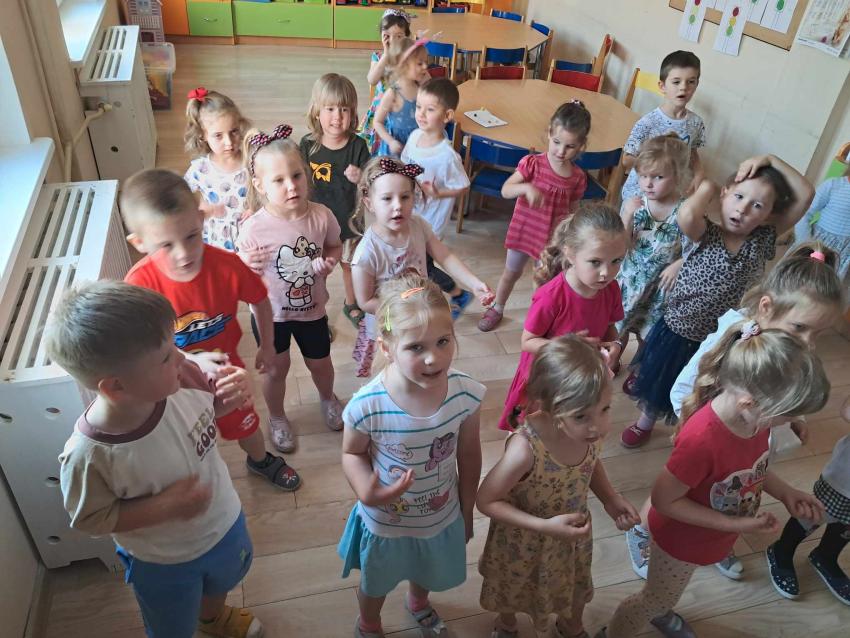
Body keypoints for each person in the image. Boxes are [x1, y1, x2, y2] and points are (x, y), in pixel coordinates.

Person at [49, 281, 263, 638]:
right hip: (164, 561)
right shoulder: (91, 454)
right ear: (116, 387)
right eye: (166, 356)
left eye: (173, 344)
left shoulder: (181, 378)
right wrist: (166, 506)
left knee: (221, 582)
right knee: (171, 624)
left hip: (224, 522)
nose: (182, 356)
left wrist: (230, 398)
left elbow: (205, 414)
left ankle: (211, 618)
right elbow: (90, 518)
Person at [626, 244, 845, 585]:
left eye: (818, 334)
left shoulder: (789, 349)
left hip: (751, 434)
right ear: (766, 308)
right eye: (801, 327)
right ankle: (643, 530)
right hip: (712, 439)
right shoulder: (735, 336)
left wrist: (793, 418)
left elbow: (787, 391)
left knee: (732, 485)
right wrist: (703, 429)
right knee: (685, 489)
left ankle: (716, 532)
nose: (808, 343)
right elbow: (684, 388)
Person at [600, 326, 830, 638]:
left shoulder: (754, 420)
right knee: (654, 597)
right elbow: (664, 500)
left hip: (712, 533)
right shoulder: (703, 440)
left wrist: (786, 492)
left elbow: (751, 467)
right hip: (682, 539)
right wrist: (734, 524)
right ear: (750, 403)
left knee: (668, 590)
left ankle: (663, 606)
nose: (788, 422)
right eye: (786, 416)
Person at [122, 169, 301, 490]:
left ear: (201, 219)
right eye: (166, 245)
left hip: (225, 373)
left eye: (192, 236)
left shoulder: (227, 266)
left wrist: (268, 345)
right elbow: (138, 347)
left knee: (246, 423)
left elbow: (260, 301)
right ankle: (190, 479)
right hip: (169, 382)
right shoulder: (138, 286)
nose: (184, 253)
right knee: (182, 436)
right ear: (139, 243)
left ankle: (260, 460)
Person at [621, 154, 814, 449]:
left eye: (757, 205)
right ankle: (645, 422)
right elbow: (687, 214)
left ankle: (690, 428)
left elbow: (806, 194)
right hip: (679, 328)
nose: (743, 209)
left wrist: (769, 159)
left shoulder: (762, 239)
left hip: (719, 336)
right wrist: (708, 186)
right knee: (660, 378)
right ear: (724, 194)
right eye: (739, 196)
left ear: (768, 214)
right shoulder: (706, 232)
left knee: (702, 386)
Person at [337, 274, 485, 638]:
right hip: (386, 520)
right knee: (376, 582)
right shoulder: (367, 405)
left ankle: (418, 603)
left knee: (426, 568)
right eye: (416, 347)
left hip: (440, 513)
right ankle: (369, 623)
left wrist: (467, 509)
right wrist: (367, 490)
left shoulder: (466, 394)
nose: (433, 357)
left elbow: (469, 453)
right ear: (387, 348)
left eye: (443, 341)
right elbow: (352, 453)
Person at [477, 335, 640, 638]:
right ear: (550, 406)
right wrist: (543, 526)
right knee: (513, 587)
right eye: (581, 416)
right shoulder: (526, 449)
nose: (598, 426)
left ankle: (570, 626)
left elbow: (589, 463)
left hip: (570, 536)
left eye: (605, 409)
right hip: (523, 540)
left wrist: (610, 498)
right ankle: (507, 623)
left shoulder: (588, 432)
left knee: (574, 585)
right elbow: (486, 500)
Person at [237, 124, 345, 453]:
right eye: (279, 180)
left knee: (321, 364)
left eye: (296, 175)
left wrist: (330, 261)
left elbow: (334, 245)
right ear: (260, 185)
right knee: (276, 370)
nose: (291, 185)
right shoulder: (253, 229)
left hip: (312, 311)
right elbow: (239, 276)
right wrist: (243, 262)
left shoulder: (322, 216)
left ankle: (327, 398)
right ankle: (277, 416)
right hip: (271, 317)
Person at [350, 156, 492, 377]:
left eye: (405, 197)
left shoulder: (418, 225)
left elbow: (445, 256)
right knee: (391, 374)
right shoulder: (366, 253)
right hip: (390, 327)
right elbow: (365, 301)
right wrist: (403, 313)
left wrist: (473, 283)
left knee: (422, 366)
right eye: (387, 198)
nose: (398, 206)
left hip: (422, 318)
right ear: (369, 203)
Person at [498, 203, 627, 431]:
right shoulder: (551, 296)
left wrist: (615, 344)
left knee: (568, 424)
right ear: (570, 253)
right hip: (547, 376)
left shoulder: (611, 289)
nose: (606, 272)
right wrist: (570, 347)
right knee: (535, 428)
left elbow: (609, 327)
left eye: (616, 261)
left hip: (578, 376)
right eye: (595, 262)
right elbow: (528, 341)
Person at [478, 101, 591, 332]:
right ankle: (498, 307)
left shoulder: (578, 177)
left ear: (581, 146)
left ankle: (538, 321)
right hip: (524, 233)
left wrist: (572, 236)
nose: (561, 151)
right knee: (510, 273)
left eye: (570, 146)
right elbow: (506, 190)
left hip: (551, 241)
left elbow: (573, 209)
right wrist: (526, 188)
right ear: (549, 133)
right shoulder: (532, 164)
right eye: (556, 142)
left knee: (543, 284)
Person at [609, 134, 689, 375]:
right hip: (630, 281)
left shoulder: (685, 211)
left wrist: (680, 264)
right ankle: (612, 360)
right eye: (643, 176)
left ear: (677, 176)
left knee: (648, 333)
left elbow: (699, 247)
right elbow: (620, 245)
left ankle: (640, 367)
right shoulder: (636, 204)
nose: (648, 184)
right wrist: (627, 215)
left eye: (658, 177)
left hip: (660, 287)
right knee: (619, 327)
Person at [300, 73, 371, 331]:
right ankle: (317, 313)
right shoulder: (308, 145)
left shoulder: (358, 146)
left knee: (350, 266)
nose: (337, 117)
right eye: (330, 109)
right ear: (317, 111)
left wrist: (361, 177)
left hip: (349, 223)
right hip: (316, 225)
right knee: (318, 270)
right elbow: (298, 178)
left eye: (344, 109)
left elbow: (373, 183)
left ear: (353, 113)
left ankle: (351, 303)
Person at [401, 77, 473, 319]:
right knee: (415, 263)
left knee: (424, 266)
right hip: (411, 215)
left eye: (430, 109)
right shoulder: (414, 136)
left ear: (447, 115)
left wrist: (438, 193)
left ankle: (457, 293)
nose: (421, 114)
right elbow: (406, 165)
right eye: (418, 106)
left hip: (431, 223)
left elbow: (463, 186)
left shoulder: (447, 156)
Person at [768, 396, 850, 605]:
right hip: (844, 478)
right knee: (815, 513)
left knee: (847, 524)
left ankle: (825, 556)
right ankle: (782, 549)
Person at [620, 50, 705, 202]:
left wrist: (699, 174)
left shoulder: (696, 123)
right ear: (662, 86)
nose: (683, 87)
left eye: (691, 82)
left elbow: (692, 152)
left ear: (696, 85)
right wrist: (656, 165)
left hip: (671, 195)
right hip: (640, 195)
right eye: (676, 82)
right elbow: (626, 160)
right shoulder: (647, 123)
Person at [183, 87, 251, 251]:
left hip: (251, 236)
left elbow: (268, 190)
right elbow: (180, 196)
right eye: (218, 135)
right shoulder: (200, 169)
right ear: (202, 135)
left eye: (234, 131)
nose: (229, 142)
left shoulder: (253, 160)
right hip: (218, 240)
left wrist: (256, 208)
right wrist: (200, 208)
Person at [359, 8, 413, 153]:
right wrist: (387, 54)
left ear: (407, 37)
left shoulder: (410, 59)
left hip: (402, 113)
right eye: (387, 36)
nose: (393, 40)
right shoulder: (378, 57)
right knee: (379, 151)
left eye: (399, 36)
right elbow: (372, 79)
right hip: (380, 114)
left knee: (400, 149)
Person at [790, 165, 850, 284]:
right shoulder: (834, 185)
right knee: (795, 281)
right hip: (816, 244)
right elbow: (804, 214)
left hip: (843, 253)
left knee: (824, 289)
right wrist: (805, 243)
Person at [374, 37, 430, 157]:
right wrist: (391, 141)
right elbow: (377, 122)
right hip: (396, 151)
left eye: (426, 62)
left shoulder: (421, 89)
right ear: (403, 65)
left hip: (416, 146)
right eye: (420, 63)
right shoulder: (392, 93)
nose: (425, 66)